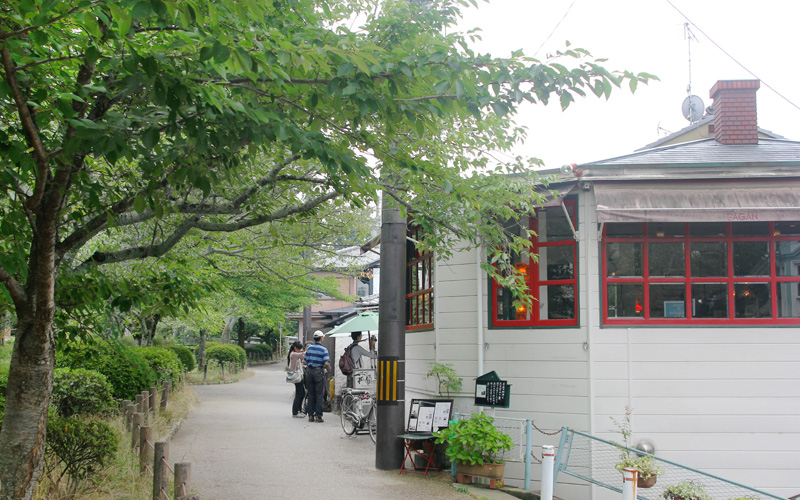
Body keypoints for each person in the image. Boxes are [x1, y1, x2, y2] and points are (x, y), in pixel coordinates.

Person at [304, 331, 331, 423]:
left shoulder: (309, 348)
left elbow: (305, 361)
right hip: (319, 371)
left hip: (309, 371)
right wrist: (329, 371)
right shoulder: (324, 350)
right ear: (321, 338)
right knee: (319, 395)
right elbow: (326, 363)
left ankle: (310, 415)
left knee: (311, 394)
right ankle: (318, 416)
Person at [287, 341, 306, 417]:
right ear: (295, 347)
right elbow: (302, 355)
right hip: (296, 376)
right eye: (299, 348)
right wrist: (310, 349)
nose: (299, 350)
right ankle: (295, 412)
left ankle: (299, 410)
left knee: (302, 393)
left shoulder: (294, 354)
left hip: (298, 375)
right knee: (299, 394)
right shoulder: (293, 354)